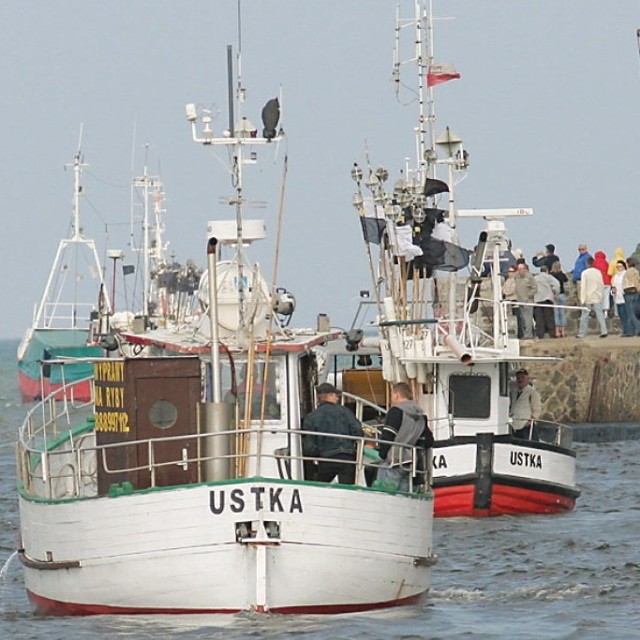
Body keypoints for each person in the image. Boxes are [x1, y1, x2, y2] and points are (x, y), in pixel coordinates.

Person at [302, 382, 363, 484]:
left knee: (319, 486)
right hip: (347, 457)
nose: (337, 398)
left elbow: (309, 447)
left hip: (326, 458)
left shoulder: (311, 417)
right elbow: (358, 432)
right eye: (335, 395)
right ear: (329, 396)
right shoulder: (345, 411)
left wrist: (316, 455)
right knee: (347, 489)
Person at [376, 382, 433, 491]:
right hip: (411, 461)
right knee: (405, 494)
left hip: (394, 460)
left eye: (392, 395)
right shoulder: (421, 416)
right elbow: (429, 441)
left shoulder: (396, 411)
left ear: (397, 395)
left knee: (386, 491)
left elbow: (388, 436)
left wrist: (382, 454)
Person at [576, 257, 608, 338]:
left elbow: (583, 287)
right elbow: (601, 285)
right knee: (600, 314)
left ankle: (582, 333)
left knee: (585, 315)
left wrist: (582, 299)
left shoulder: (585, 273)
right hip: (596, 295)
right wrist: (601, 296)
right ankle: (604, 331)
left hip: (587, 296)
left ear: (587, 263)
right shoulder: (598, 272)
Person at [509, 369, 542, 440]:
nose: (520, 380)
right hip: (515, 426)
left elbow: (537, 410)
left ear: (527, 379)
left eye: (522, 377)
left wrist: (530, 421)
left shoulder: (532, 393)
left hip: (526, 427)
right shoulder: (515, 393)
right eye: (518, 378)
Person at [533, 265, 559, 339]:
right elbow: (557, 285)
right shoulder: (549, 277)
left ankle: (540, 335)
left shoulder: (535, 278)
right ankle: (552, 334)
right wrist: (555, 294)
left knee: (539, 319)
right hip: (547, 299)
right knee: (549, 318)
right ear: (547, 271)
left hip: (537, 300)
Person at [611, 260, 634, 337]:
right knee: (622, 316)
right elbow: (613, 286)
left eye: (620, 266)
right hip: (618, 298)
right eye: (617, 267)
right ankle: (625, 330)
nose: (619, 268)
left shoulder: (626, 274)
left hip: (625, 297)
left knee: (627, 315)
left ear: (624, 266)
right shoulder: (616, 276)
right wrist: (613, 291)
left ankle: (630, 331)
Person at [514, 262, 536, 339]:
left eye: (522, 269)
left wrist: (528, 296)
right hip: (520, 301)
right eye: (519, 269)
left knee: (528, 319)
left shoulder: (530, 277)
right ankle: (525, 334)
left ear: (525, 269)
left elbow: (534, 288)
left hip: (528, 301)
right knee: (523, 319)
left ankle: (529, 335)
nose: (520, 271)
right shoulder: (516, 277)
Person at [622, 257, 640, 336]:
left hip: (629, 292)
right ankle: (630, 331)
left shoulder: (628, 272)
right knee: (634, 312)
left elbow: (633, 282)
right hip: (635, 292)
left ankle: (638, 327)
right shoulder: (636, 271)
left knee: (630, 313)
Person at [550, 261, 569, 337]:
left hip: (555, 295)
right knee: (562, 313)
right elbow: (566, 280)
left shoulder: (552, 275)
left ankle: (557, 331)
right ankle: (563, 331)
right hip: (562, 294)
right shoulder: (562, 275)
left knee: (556, 314)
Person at [503, 266, 522, 337]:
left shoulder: (516, 280)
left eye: (511, 272)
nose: (510, 273)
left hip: (514, 301)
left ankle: (520, 334)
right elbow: (503, 290)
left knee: (517, 318)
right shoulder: (507, 280)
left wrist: (506, 292)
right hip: (507, 301)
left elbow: (513, 290)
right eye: (509, 272)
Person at [593, 250, 612, 317]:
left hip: (599, 282)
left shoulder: (594, 263)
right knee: (606, 297)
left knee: (598, 297)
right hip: (607, 282)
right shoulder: (606, 263)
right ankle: (606, 312)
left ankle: (599, 312)